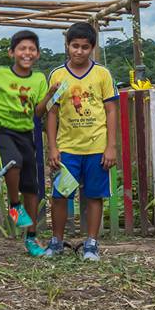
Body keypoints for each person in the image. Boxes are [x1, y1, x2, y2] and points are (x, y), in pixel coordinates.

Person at [0, 30, 58, 257]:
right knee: (12, 163)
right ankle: (14, 205)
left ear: (37, 54)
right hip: (3, 130)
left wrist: (49, 94)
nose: (27, 53)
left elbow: (38, 111)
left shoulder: (38, 79)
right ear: (12, 52)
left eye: (32, 49)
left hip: (27, 133)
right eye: (22, 48)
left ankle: (32, 238)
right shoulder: (1, 74)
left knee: (32, 186)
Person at [44, 22, 118, 261]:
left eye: (85, 47)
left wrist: (111, 146)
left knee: (94, 196)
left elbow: (111, 111)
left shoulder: (102, 74)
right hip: (67, 148)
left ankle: (91, 244)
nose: (79, 51)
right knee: (60, 196)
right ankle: (56, 242)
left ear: (93, 48)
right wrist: (53, 147)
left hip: (96, 147)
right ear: (67, 46)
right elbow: (52, 112)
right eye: (74, 46)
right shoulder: (58, 75)